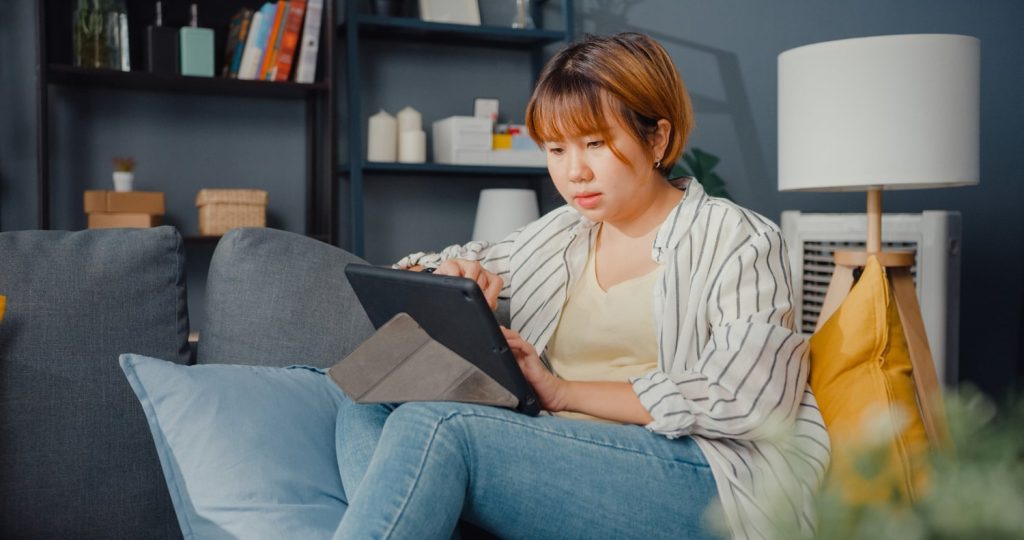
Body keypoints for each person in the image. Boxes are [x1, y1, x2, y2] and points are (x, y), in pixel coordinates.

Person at [331, 32, 830, 539]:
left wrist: (565, 393)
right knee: (365, 404)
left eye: (595, 143)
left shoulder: (738, 237)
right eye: (556, 148)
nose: (575, 172)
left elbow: (749, 397)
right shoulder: (562, 232)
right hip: (561, 449)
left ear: (656, 139)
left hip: (706, 474)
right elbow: (443, 263)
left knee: (435, 427)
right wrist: (448, 277)